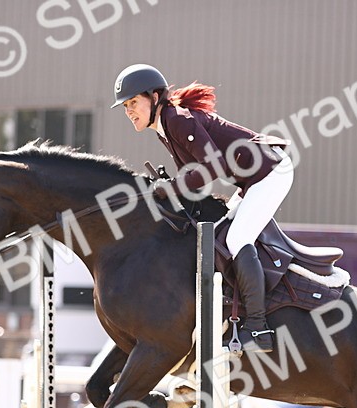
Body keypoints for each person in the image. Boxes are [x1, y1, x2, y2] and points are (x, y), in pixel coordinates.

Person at [113, 64, 292, 353]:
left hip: (271, 172)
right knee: (222, 237)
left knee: (236, 240)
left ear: (154, 96)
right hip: (252, 179)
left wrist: (170, 187)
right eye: (125, 106)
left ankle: (258, 328)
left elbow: (212, 167)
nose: (128, 110)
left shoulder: (178, 120)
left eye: (133, 102)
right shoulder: (166, 128)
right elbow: (193, 182)